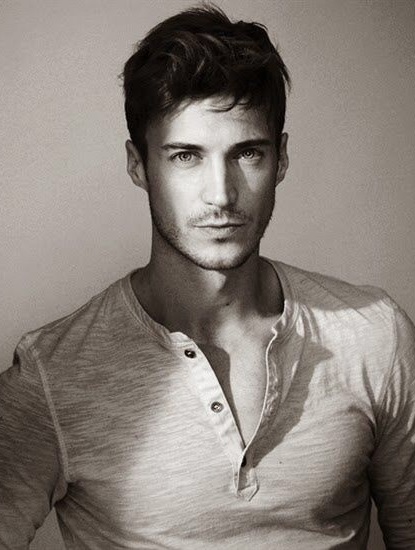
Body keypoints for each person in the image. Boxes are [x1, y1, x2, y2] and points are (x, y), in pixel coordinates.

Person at [1, 5, 414, 549]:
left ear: (281, 159)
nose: (221, 194)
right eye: (185, 156)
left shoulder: (374, 334)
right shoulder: (52, 374)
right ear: (138, 165)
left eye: (247, 153)